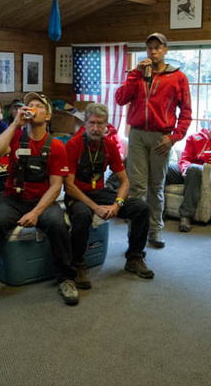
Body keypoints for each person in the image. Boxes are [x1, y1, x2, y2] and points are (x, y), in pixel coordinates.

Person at [0, 92, 76, 308]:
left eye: (38, 106)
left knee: (59, 224)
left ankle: (66, 278)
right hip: (13, 198)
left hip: (42, 200)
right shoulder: (15, 135)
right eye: (29, 105)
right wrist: (14, 124)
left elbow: (57, 185)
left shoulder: (57, 146)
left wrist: (36, 212)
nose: (32, 108)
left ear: (48, 116)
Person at [115, 32, 192, 248]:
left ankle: (155, 230)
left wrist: (174, 138)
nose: (153, 51)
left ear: (166, 50)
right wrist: (135, 75)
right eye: (150, 48)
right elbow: (121, 99)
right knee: (137, 187)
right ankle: (135, 232)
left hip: (162, 138)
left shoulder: (178, 77)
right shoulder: (137, 74)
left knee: (156, 187)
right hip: (137, 135)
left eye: (158, 47)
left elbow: (186, 113)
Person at [64, 103, 153, 289]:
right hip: (78, 195)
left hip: (100, 192)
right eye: (92, 123)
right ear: (85, 124)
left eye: (100, 124)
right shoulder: (74, 144)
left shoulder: (110, 146)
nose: (96, 128)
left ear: (106, 126)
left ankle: (134, 258)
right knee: (82, 215)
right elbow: (69, 186)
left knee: (141, 208)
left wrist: (117, 205)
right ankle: (78, 264)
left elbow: (125, 182)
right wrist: (94, 207)